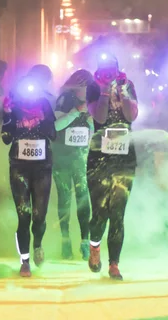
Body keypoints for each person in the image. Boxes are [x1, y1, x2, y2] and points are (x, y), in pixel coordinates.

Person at [86, 54, 138, 281]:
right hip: (99, 156)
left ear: (118, 69)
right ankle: (94, 245)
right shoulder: (93, 87)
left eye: (112, 70)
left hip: (124, 155)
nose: (109, 73)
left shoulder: (128, 85)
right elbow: (98, 116)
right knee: (100, 213)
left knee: (118, 212)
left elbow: (131, 115)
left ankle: (114, 264)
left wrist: (124, 92)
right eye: (105, 69)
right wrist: (106, 90)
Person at [1, 76, 56, 277]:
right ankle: (24, 261)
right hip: (19, 167)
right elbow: (6, 138)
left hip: (42, 167)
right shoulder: (13, 107)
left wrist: (42, 119)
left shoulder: (44, 105)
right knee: (23, 216)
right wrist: (7, 115)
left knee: (39, 216)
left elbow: (53, 135)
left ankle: (38, 244)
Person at [52, 70, 94, 260]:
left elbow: (93, 132)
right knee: (64, 198)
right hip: (62, 157)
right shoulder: (64, 99)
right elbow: (55, 127)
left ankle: (85, 241)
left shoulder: (94, 101)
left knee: (83, 198)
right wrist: (76, 112)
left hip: (81, 158)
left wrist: (92, 120)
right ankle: (65, 240)